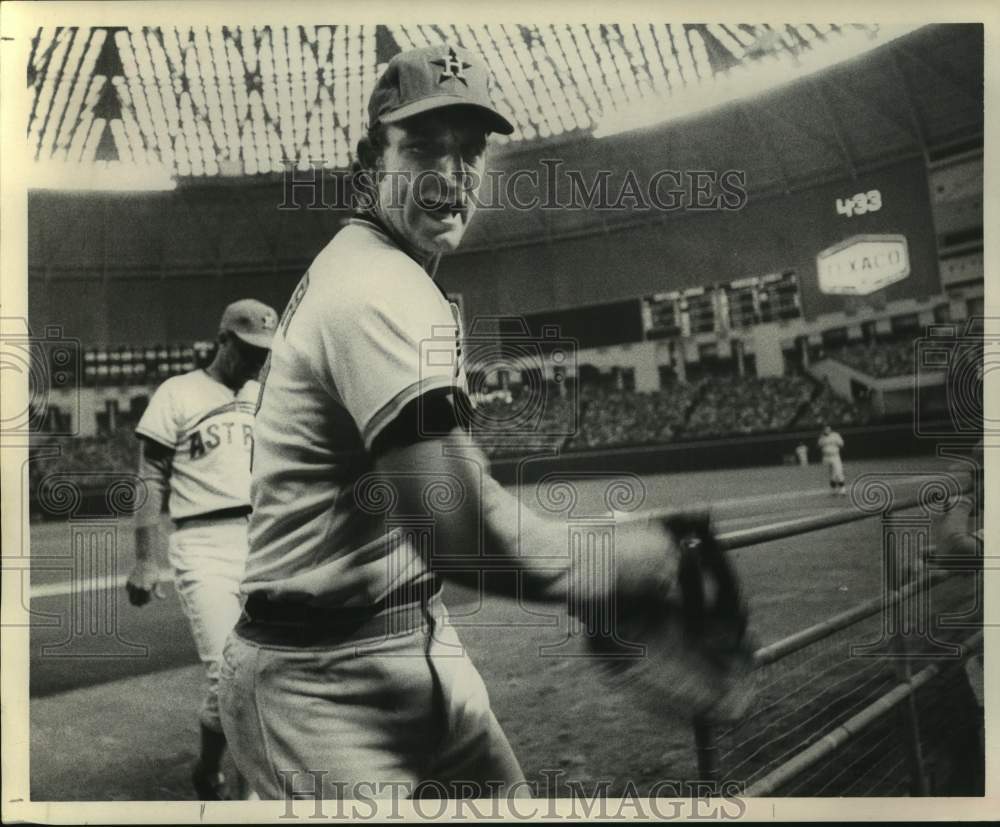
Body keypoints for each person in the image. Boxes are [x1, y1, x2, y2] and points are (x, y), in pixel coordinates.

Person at [217, 44, 682, 801]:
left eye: (469, 150)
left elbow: (465, 499)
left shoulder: (387, 273)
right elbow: (456, 528)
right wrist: (611, 566)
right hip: (316, 682)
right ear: (372, 159)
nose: (451, 172)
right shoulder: (375, 286)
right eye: (424, 145)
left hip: (412, 636)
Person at [126, 299, 277, 799]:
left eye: (265, 353)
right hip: (203, 543)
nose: (258, 361)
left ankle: (213, 772)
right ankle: (242, 794)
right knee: (228, 676)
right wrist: (146, 558)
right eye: (250, 349)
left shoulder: (265, 395)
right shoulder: (180, 392)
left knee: (266, 674)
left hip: (265, 542)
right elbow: (149, 477)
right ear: (224, 339)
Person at [817, 424, 846, 495]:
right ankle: (833, 490)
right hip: (826, 457)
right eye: (825, 429)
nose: (827, 430)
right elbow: (819, 446)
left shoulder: (835, 435)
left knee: (839, 472)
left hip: (835, 456)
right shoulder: (822, 437)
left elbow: (841, 444)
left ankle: (842, 489)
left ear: (830, 429)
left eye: (828, 429)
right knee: (831, 475)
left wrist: (835, 445)